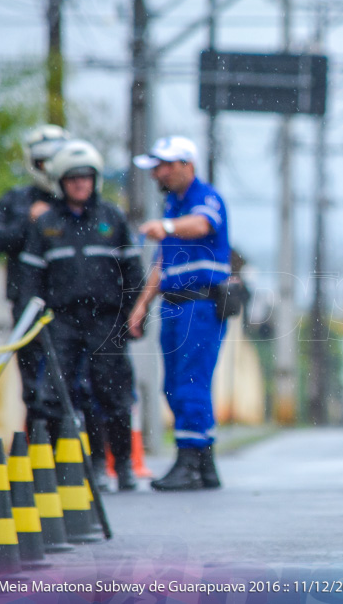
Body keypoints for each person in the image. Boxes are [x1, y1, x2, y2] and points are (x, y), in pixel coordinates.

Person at [17, 139, 144, 492]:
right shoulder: (46, 224)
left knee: (112, 393)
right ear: (60, 182)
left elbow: (133, 274)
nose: (80, 184)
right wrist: (31, 324)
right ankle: (63, 470)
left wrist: (136, 315)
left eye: (86, 177)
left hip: (106, 321)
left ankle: (121, 466)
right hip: (62, 322)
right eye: (72, 178)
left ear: (95, 180)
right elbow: (31, 280)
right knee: (55, 397)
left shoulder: (112, 218)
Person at [127, 136, 230, 492]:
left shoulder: (205, 197)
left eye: (166, 165)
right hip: (174, 305)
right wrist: (141, 306)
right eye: (157, 167)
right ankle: (204, 464)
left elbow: (203, 224)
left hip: (199, 305)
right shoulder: (172, 205)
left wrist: (167, 227)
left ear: (188, 165)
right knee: (174, 386)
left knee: (190, 384)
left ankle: (190, 462)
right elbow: (163, 263)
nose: (160, 173)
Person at [0, 125, 70, 436]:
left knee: (74, 383)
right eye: (44, 161)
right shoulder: (17, 199)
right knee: (34, 384)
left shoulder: (74, 198)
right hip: (27, 301)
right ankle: (38, 453)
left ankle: (76, 454)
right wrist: (27, 222)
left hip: (70, 303)